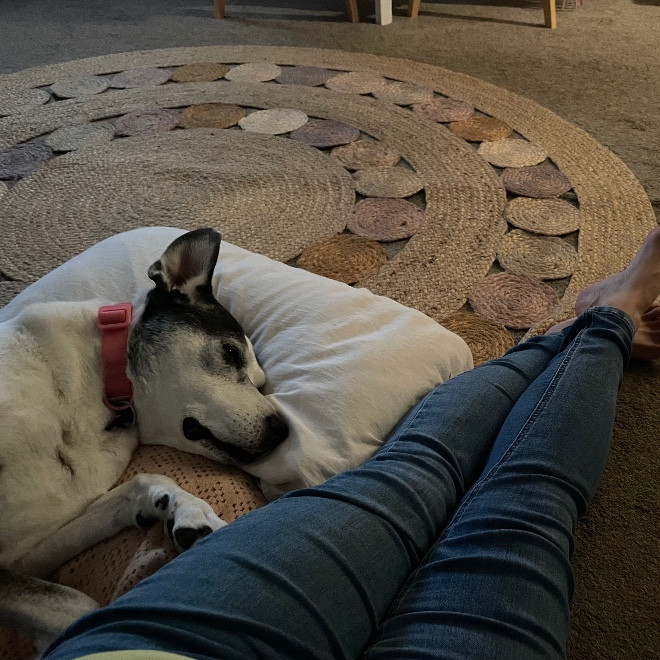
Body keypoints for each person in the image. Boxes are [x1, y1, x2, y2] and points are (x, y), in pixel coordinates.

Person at [42, 228, 660, 660]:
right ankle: (602, 324)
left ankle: (584, 329)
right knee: (520, 511)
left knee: (412, 471)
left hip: (155, 646)